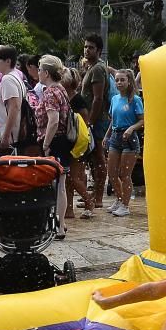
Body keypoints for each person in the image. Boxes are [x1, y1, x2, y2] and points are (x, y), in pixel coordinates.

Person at [35, 55, 75, 238]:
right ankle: (61, 223)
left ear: (46, 73)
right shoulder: (61, 90)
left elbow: (53, 120)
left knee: (57, 185)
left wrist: (45, 143)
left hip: (54, 142)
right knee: (61, 184)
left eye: (40, 69)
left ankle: (58, 226)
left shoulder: (50, 92)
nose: (38, 72)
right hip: (63, 142)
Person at [103, 69, 144, 217]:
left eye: (122, 80)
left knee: (124, 174)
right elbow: (113, 119)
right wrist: (107, 136)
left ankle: (125, 205)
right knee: (112, 172)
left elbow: (142, 120)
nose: (119, 82)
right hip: (115, 136)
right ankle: (119, 199)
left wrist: (131, 128)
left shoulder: (135, 100)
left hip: (130, 139)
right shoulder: (114, 99)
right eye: (117, 80)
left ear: (129, 81)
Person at [80, 34, 111, 212]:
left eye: (90, 47)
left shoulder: (98, 69)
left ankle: (98, 197)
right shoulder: (92, 68)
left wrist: (91, 120)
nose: (87, 50)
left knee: (99, 158)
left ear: (98, 50)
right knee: (93, 159)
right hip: (92, 119)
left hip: (97, 121)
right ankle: (92, 195)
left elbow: (98, 98)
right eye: (85, 47)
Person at [60, 68, 95, 219]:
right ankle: (69, 209)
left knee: (73, 177)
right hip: (69, 141)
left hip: (77, 142)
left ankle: (89, 201)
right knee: (68, 177)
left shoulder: (78, 99)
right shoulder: (64, 97)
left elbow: (84, 122)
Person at [0, 44, 27, 157]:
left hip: (10, 137)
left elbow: (14, 107)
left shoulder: (8, 79)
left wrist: (5, 137)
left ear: (8, 61)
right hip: (13, 134)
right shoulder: (15, 76)